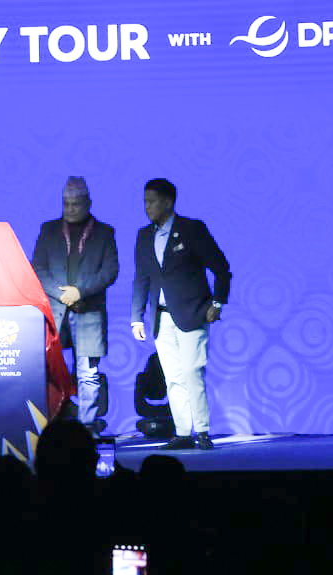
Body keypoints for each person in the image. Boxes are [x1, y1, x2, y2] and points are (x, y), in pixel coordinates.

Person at [130, 178, 231, 450]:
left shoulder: (191, 229)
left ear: (168, 202)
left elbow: (221, 268)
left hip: (193, 313)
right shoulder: (143, 235)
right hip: (160, 317)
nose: (147, 207)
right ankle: (183, 432)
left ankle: (203, 431)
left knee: (191, 372)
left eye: (152, 201)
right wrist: (136, 317)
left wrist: (217, 303)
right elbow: (141, 278)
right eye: (145, 201)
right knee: (173, 377)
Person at [31, 176, 119, 432]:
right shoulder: (48, 230)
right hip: (55, 310)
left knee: (88, 374)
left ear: (88, 203)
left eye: (76, 204)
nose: (70, 209)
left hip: (88, 311)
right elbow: (39, 268)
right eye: (66, 204)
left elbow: (110, 271)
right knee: (48, 369)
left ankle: (87, 426)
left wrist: (80, 292)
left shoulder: (104, 232)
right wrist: (63, 295)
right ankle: (49, 424)